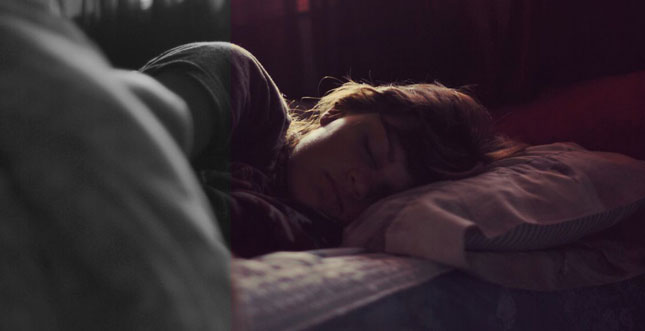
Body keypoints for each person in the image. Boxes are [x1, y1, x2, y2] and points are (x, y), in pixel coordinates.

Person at [129, 42, 524, 257]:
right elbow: (121, 149)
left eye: (382, 194)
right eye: (370, 150)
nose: (359, 185)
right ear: (340, 111)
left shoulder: (311, 236)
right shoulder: (245, 87)